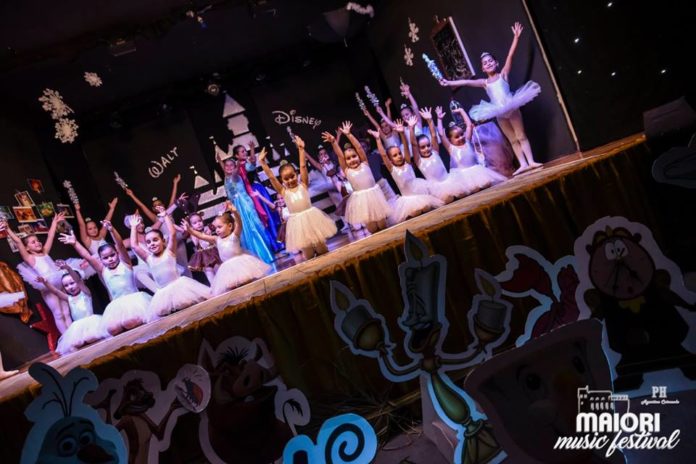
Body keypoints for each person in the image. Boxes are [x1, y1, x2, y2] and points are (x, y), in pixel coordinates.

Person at [440, 22, 542, 175]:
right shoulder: (484, 82)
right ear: (482, 68)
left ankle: (531, 161)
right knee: (512, 139)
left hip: (511, 106)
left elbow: (510, 56)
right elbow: (466, 82)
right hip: (498, 111)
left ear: (496, 63)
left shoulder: (503, 75)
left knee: (521, 135)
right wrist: (449, 82)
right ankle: (523, 164)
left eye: (490, 61)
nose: (488, 63)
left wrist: (515, 38)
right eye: (485, 63)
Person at [59, 222, 153, 336]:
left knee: (132, 322)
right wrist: (75, 243)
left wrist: (112, 230)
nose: (110, 259)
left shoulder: (126, 263)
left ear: (117, 254)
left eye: (112, 255)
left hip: (135, 301)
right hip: (117, 307)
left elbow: (120, 245)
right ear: (101, 259)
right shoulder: (103, 270)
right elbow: (87, 256)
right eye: (106, 258)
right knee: (112, 329)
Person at [259, 140, 337, 261]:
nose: (290, 180)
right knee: (308, 254)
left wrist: (301, 149)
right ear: (282, 180)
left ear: (296, 174)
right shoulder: (284, 192)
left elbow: (303, 166)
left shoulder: (303, 185)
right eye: (286, 179)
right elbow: (272, 178)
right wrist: (263, 164)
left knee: (322, 249)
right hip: (298, 225)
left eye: (292, 176)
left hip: (312, 220)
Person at [3, 212, 77, 333]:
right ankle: (67, 337)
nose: (37, 243)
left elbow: (50, 236)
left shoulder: (45, 252)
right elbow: (18, 242)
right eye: (33, 242)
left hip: (60, 282)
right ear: (27, 248)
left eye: (37, 241)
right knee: (58, 313)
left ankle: (74, 334)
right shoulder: (30, 258)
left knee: (66, 311)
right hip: (48, 286)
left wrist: (54, 222)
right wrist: (8, 229)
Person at [129, 209, 210, 319]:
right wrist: (133, 227)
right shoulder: (148, 258)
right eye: (148, 242)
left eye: (155, 240)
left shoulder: (170, 252)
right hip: (163, 294)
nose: (152, 244)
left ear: (163, 241)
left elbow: (172, 233)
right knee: (164, 313)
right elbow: (134, 245)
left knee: (186, 305)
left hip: (180, 288)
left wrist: (165, 216)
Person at [183, 202, 271, 295]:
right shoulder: (216, 239)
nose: (217, 230)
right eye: (215, 228)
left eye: (219, 227)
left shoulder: (234, 236)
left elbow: (239, 223)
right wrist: (190, 230)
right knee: (233, 288)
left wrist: (235, 212)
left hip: (241, 265)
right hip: (227, 269)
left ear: (230, 226)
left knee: (247, 283)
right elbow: (201, 236)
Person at [369, 119, 442, 225]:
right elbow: (384, 155)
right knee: (416, 213)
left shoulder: (407, 162)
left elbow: (407, 146)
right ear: (390, 160)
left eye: (399, 153)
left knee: (427, 209)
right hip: (408, 201)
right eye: (395, 155)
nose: (399, 156)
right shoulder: (392, 169)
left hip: (420, 195)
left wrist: (402, 133)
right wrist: (378, 139)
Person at [323, 122, 391, 234]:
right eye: (348, 158)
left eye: (354, 156)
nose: (352, 159)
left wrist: (349, 135)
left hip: (375, 198)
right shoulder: (347, 170)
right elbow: (340, 155)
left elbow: (359, 147)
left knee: (382, 225)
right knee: (372, 229)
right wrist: (334, 142)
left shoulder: (364, 163)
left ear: (359, 156)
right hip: (362, 202)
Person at [37, 262, 109, 354]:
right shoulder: (69, 298)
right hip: (77, 328)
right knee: (73, 345)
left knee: (92, 337)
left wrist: (68, 268)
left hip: (91, 323)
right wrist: (45, 283)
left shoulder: (86, 293)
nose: (70, 287)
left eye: (72, 283)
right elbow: (55, 292)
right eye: (66, 286)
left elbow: (78, 280)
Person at [217, 153, 275, 264]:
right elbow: (225, 169)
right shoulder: (226, 177)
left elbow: (235, 171)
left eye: (231, 165)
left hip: (244, 204)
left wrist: (238, 164)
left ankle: (263, 255)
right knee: (243, 231)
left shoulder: (235, 176)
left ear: (235, 167)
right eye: (226, 166)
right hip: (236, 207)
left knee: (251, 227)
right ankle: (253, 257)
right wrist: (219, 160)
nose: (228, 167)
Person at [437, 106, 507, 193]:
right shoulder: (451, 148)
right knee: (472, 189)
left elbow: (469, 126)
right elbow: (441, 134)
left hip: (476, 171)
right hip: (462, 176)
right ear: (450, 140)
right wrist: (439, 119)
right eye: (457, 137)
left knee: (486, 183)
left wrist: (462, 111)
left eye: (461, 134)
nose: (461, 137)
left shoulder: (467, 141)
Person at [409, 107, 471, 203]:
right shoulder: (419, 161)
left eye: (428, 145)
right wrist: (411, 128)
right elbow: (413, 144)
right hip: (437, 189)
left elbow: (434, 135)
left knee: (462, 194)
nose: (427, 148)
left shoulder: (435, 152)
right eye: (423, 147)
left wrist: (430, 120)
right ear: (418, 149)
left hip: (449, 182)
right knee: (447, 199)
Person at [186, 212, 221, 285]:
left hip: (213, 253)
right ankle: (215, 287)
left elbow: (214, 223)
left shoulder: (207, 229)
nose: (198, 224)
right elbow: (195, 243)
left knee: (219, 271)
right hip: (203, 257)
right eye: (195, 223)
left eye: (200, 221)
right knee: (209, 273)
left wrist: (221, 212)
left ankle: (223, 285)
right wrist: (193, 233)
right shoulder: (193, 234)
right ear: (191, 226)